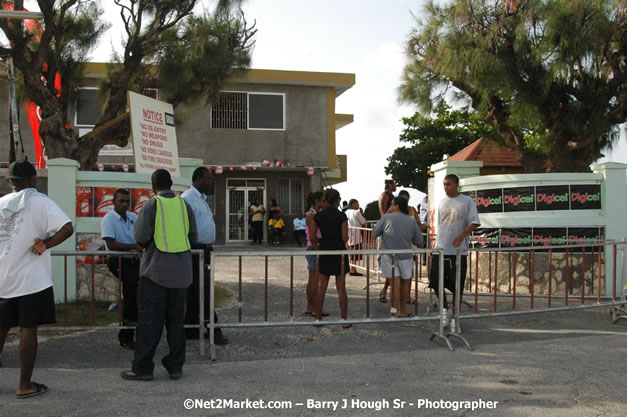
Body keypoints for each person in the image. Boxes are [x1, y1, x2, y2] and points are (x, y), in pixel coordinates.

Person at [0, 160, 74, 398]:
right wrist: (46, 244)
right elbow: (67, 227)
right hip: (31, 280)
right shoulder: (41, 201)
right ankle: (24, 384)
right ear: (32, 180)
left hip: (3, 277)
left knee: (1, 328)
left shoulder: (0, 203)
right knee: (28, 329)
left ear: (11, 182)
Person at [121, 169, 197, 381]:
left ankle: (143, 368)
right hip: (181, 274)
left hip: (155, 273)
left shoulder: (152, 205)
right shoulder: (184, 205)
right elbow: (193, 235)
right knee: (176, 323)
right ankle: (175, 367)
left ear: (153, 186)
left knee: (149, 323)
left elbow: (140, 236)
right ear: (171, 184)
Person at [181, 167, 228, 345]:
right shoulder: (187, 198)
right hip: (195, 250)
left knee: (195, 292)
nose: (211, 181)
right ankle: (214, 329)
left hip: (206, 249)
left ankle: (190, 328)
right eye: (209, 178)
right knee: (205, 289)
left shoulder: (202, 198)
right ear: (199, 178)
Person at [429, 174, 480, 334]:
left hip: (458, 251)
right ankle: (444, 311)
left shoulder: (467, 201)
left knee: (457, 286)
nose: (446, 187)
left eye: (449, 184)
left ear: (456, 185)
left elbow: (474, 222)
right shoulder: (442, 202)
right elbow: (439, 224)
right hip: (441, 248)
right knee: (436, 282)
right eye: (444, 184)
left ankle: (456, 317)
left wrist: (462, 235)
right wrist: (435, 244)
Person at [101, 188, 142, 349]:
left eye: (127, 201)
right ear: (113, 202)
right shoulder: (109, 219)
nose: (125, 204)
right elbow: (110, 244)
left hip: (134, 261)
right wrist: (133, 246)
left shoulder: (133, 217)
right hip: (118, 261)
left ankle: (134, 332)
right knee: (131, 294)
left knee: (137, 295)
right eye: (121, 201)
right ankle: (126, 335)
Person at [372, 197, 423, 317]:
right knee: (405, 283)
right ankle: (403, 310)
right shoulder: (411, 221)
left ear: (397, 206)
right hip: (406, 255)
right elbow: (419, 241)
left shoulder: (386, 218)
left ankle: (394, 311)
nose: (390, 206)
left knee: (394, 284)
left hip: (389, 256)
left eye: (392, 204)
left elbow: (374, 233)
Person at [310, 189, 350, 328]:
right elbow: (345, 238)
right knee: (341, 288)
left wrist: (322, 240)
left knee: (322, 287)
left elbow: (312, 237)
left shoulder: (318, 216)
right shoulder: (342, 216)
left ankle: (318, 318)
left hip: (325, 252)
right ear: (338, 201)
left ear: (325, 201)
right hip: (339, 253)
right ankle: (344, 320)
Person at [304, 192, 327, 316]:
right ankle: (314, 308)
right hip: (314, 248)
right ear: (317, 202)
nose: (324, 203)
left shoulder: (314, 214)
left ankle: (310, 306)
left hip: (314, 248)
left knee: (312, 279)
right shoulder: (311, 215)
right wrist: (317, 252)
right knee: (314, 280)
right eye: (323, 200)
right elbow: (313, 236)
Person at [377, 179, 396, 303]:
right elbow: (383, 213)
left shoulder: (391, 196)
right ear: (389, 185)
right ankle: (385, 291)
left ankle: (385, 290)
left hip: (392, 228)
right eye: (394, 184)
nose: (396, 186)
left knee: (393, 263)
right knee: (389, 262)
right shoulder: (384, 195)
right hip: (387, 229)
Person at [345, 199, 366, 276]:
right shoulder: (356, 212)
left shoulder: (346, 212)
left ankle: (353, 269)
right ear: (353, 204)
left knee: (352, 254)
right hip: (356, 236)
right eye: (357, 203)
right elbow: (364, 222)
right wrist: (362, 213)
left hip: (349, 235)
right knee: (355, 255)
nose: (358, 205)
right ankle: (353, 270)